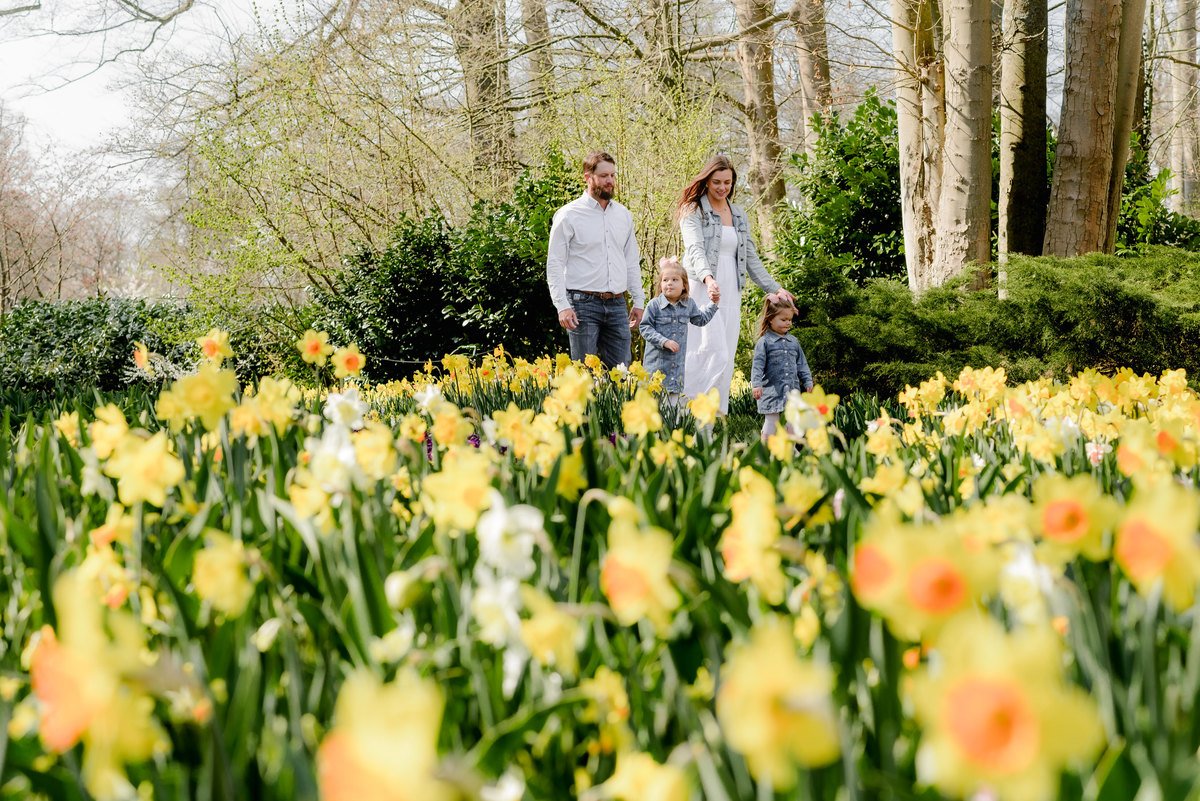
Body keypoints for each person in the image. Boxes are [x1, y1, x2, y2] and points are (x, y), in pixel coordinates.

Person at [677, 155, 795, 414]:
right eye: (717, 182)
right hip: (702, 289)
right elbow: (695, 250)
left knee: (725, 354)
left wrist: (774, 288)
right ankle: (685, 413)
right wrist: (708, 279)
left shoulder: (738, 214)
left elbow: (750, 257)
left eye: (727, 182)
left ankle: (714, 418)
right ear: (707, 181)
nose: (722, 187)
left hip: (731, 292)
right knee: (702, 351)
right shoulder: (692, 210)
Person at [546, 150, 645, 369]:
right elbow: (554, 263)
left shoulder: (623, 215)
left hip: (618, 304)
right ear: (588, 178)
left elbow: (631, 260)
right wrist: (562, 305)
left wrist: (639, 300)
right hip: (582, 305)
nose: (610, 181)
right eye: (603, 176)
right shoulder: (568, 215)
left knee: (622, 376)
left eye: (612, 175)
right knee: (584, 376)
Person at [638, 257, 719, 413]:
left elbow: (700, 320)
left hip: (676, 369)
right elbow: (645, 328)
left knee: (671, 407)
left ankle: (669, 433)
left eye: (674, 280)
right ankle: (652, 435)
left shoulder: (688, 304)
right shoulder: (654, 305)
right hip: (656, 368)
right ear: (660, 285)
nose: (669, 283)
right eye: (665, 280)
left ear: (684, 285)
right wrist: (664, 341)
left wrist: (713, 304)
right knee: (654, 406)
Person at [751, 296, 814, 442]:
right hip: (772, 392)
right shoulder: (764, 342)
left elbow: (802, 364)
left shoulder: (794, 342)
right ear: (771, 319)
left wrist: (808, 381)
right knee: (772, 422)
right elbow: (757, 366)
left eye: (790, 320)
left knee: (793, 423)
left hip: (792, 392)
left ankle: (790, 450)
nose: (788, 323)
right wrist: (756, 384)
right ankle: (765, 451)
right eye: (783, 320)